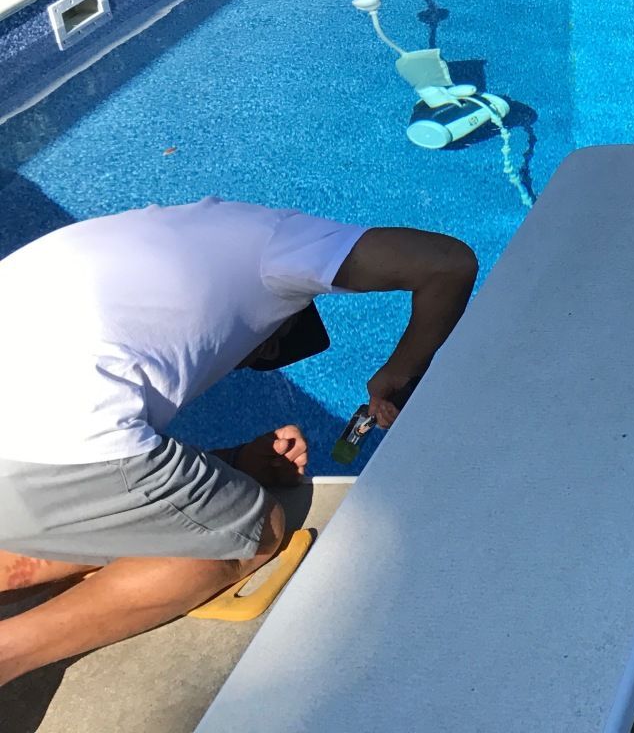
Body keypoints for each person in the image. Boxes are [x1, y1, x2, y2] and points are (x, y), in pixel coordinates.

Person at [0, 198, 477, 688]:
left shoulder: (173, 228)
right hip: (50, 448)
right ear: (270, 341)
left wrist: (230, 463)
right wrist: (399, 371)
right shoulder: (277, 249)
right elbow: (448, 262)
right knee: (252, 531)